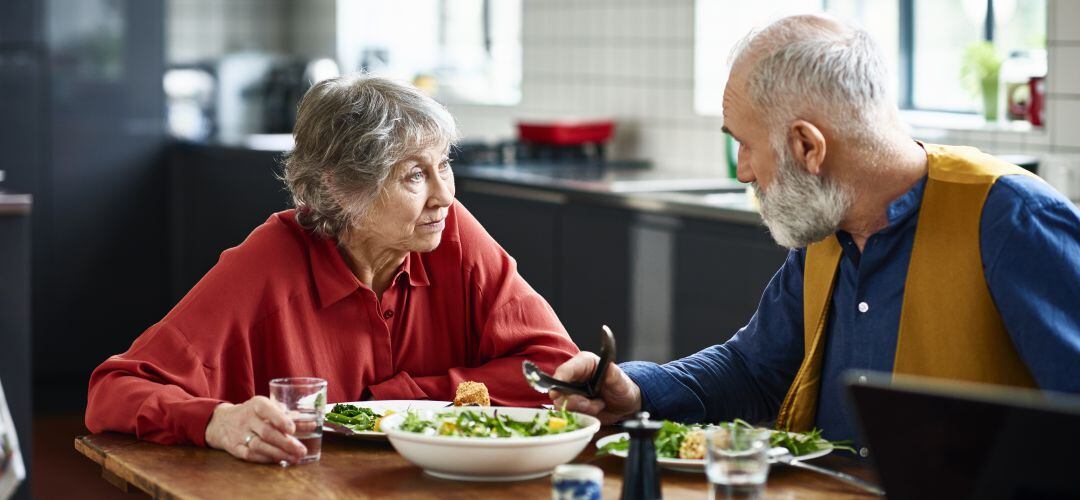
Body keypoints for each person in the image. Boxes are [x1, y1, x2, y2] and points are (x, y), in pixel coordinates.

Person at [551, 14, 1080, 445]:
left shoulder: (1012, 220)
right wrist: (637, 391)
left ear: (808, 147)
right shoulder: (829, 224)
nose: (743, 170)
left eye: (746, 144)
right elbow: (752, 369)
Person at [86, 75, 579, 464]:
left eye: (443, 164)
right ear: (342, 188)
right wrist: (215, 420)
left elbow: (558, 368)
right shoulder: (268, 263)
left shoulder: (450, 231)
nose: (445, 195)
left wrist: (395, 403)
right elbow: (114, 390)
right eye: (414, 174)